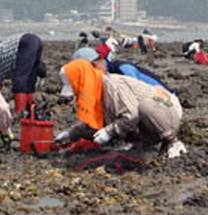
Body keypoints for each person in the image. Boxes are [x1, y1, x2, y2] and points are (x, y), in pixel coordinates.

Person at [56, 59, 186, 158]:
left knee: (145, 106)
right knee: (102, 129)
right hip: (146, 126)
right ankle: (138, 144)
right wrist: (70, 134)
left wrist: (109, 131)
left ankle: (173, 142)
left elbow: (132, 114)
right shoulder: (95, 93)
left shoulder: (113, 85)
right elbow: (93, 124)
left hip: (165, 113)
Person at [0, 33, 47, 115]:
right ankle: (29, 112)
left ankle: (20, 112)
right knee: (29, 80)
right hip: (33, 40)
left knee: (20, 80)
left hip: (23, 42)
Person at [79, 45, 176, 94]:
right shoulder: (108, 73)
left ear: (95, 64)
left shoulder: (122, 68)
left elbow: (135, 89)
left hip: (165, 97)